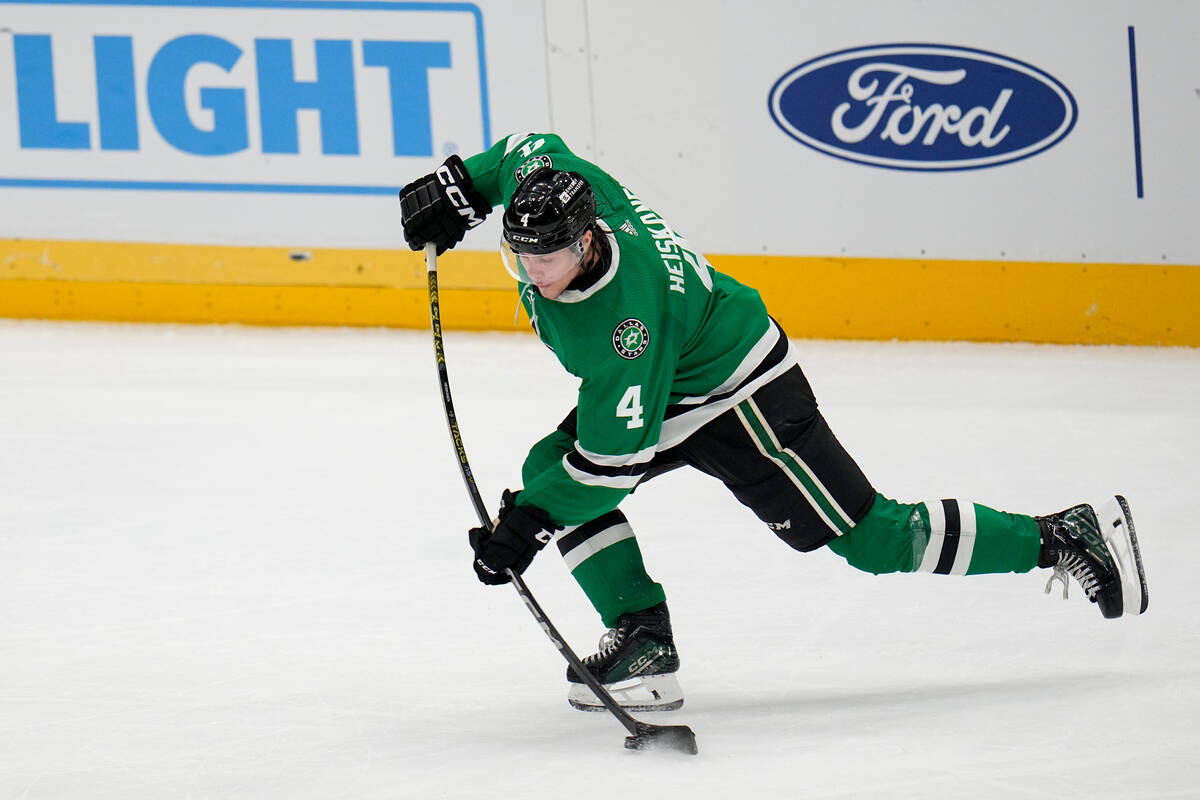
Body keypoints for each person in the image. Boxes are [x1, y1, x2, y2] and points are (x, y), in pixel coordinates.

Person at [398, 133, 1149, 712]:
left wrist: (528, 526)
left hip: (741, 395)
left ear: (587, 239)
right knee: (548, 472)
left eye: (550, 258)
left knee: (875, 540)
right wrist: (461, 187)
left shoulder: (625, 328)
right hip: (682, 385)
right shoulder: (570, 191)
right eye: (521, 254)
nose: (535, 272)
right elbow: (533, 146)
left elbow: (610, 465)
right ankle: (643, 641)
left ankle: (1063, 534)